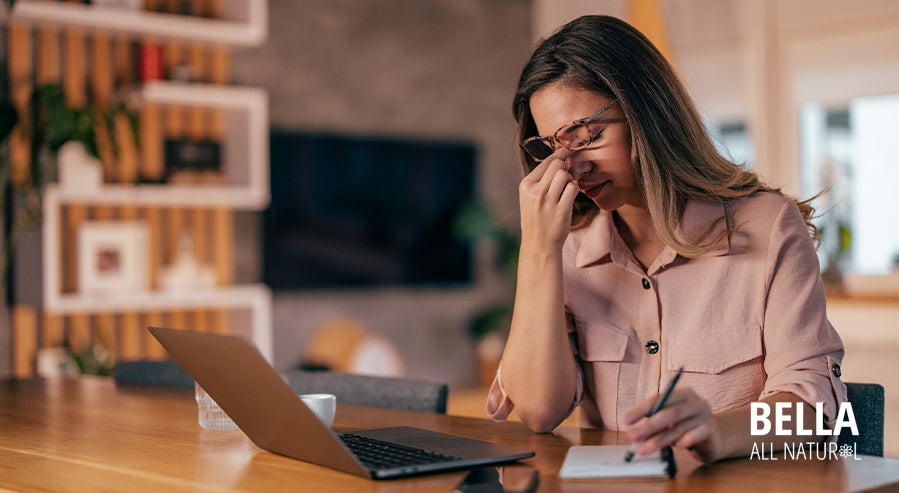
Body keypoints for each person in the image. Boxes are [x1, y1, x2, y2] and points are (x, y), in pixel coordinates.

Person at [486, 15, 846, 463]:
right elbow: (540, 413)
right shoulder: (568, 249)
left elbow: (814, 412)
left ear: (648, 114)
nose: (572, 168)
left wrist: (720, 429)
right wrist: (539, 251)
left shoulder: (769, 227)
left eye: (587, 137)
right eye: (550, 148)